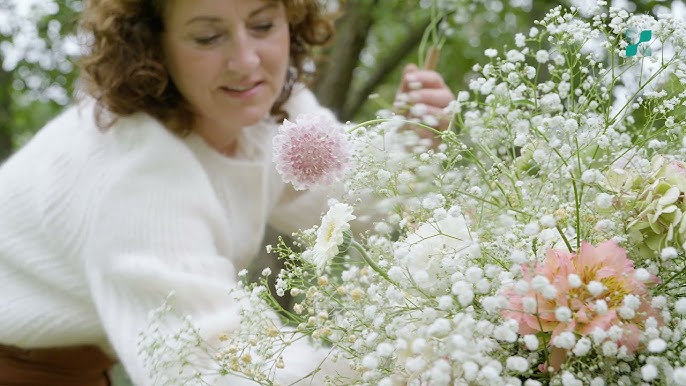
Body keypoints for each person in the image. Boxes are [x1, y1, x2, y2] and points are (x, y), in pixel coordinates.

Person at [0, 0, 454, 385]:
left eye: (262, 25)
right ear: (151, 44)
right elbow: (221, 369)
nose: (246, 61)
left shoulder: (273, 112)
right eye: (207, 37)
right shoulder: (135, 176)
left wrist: (412, 139)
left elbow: (355, 206)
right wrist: (405, 366)